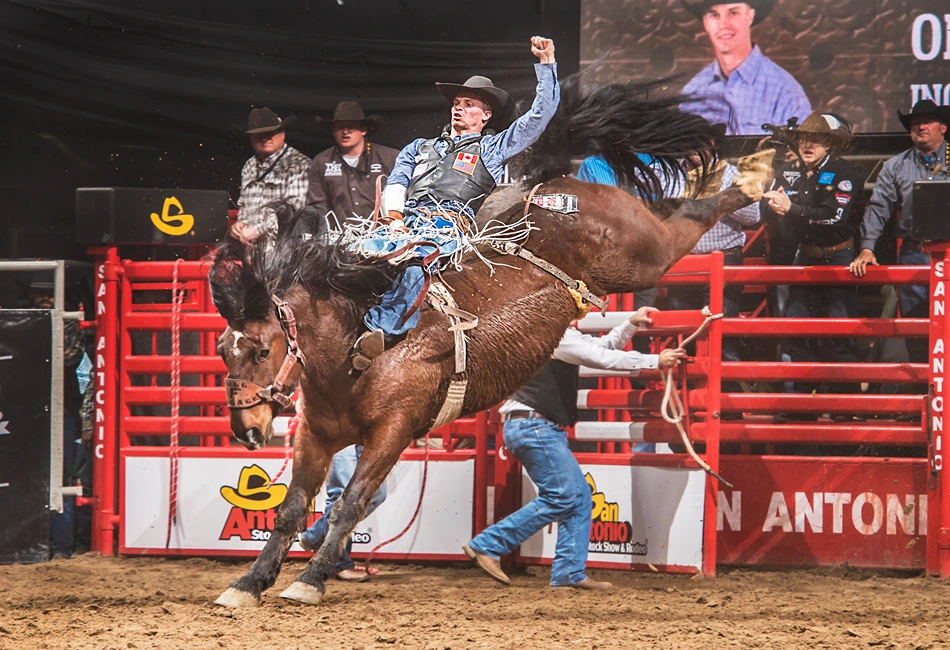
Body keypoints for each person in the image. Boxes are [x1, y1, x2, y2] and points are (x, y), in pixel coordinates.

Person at [351, 36, 559, 370]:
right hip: (401, 222)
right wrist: (394, 218)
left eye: (469, 103)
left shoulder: (492, 149)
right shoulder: (418, 147)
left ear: (486, 115)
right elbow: (397, 182)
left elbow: (538, 117)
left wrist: (546, 65)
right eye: (457, 101)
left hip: (446, 227)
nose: (458, 107)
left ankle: (378, 330)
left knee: (420, 259)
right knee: (350, 255)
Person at [463, 307, 686, 589]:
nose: (577, 316)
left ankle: (569, 572)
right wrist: (655, 360)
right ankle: (488, 544)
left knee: (578, 497)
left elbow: (599, 348)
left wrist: (629, 325)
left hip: (533, 425)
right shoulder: (554, 337)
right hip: (535, 426)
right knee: (563, 496)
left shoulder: (552, 336)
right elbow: (601, 357)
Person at [761, 112, 864, 419]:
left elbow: (834, 216)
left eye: (816, 139)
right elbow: (772, 211)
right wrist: (777, 210)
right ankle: (799, 405)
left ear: (830, 143)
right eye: (804, 138)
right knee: (796, 329)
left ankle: (844, 405)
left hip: (837, 257)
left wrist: (791, 209)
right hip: (804, 256)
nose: (808, 144)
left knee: (840, 330)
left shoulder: (847, 172)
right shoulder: (789, 172)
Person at [668, 123, 760, 415]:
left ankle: (727, 415)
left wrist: (719, 198)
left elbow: (753, 215)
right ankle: (689, 409)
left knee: (721, 340)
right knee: (683, 339)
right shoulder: (671, 176)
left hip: (723, 261)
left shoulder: (732, 174)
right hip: (683, 264)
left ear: (710, 143)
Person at [850, 99, 950, 357]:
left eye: (927, 121)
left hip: (947, 251)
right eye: (915, 123)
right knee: (915, 325)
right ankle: (920, 384)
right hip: (914, 252)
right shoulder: (895, 166)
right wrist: (867, 248)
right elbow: (878, 206)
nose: (921, 127)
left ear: (943, 127)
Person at [679, 1, 811, 136]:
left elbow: (799, 153)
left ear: (750, 16)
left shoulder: (785, 91)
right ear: (705, 21)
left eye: (733, 13)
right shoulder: (693, 91)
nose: (723, 24)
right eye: (714, 15)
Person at [299, 445, 387, 582]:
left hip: (369, 432)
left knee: (376, 493)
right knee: (343, 494)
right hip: (341, 432)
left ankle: (316, 535)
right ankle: (339, 563)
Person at [307, 101, 399, 225]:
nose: (345, 132)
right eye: (340, 127)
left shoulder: (390, 157)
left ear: (363, 130)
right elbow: (318, 207)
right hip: (340, 238)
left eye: (351, 126)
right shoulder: (321, 162)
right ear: (333, 131)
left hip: (383, 235)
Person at [231, 107, 310, 246]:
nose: (265, 137)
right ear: (250, 138)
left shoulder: (300, 165)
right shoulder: (249, 165)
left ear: (282, 134)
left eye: (271, 132)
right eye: (259, 133)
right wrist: (241, 223)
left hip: (287, 248)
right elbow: (244, 203)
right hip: (252, 248)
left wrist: (258, 230)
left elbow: (293, 211)